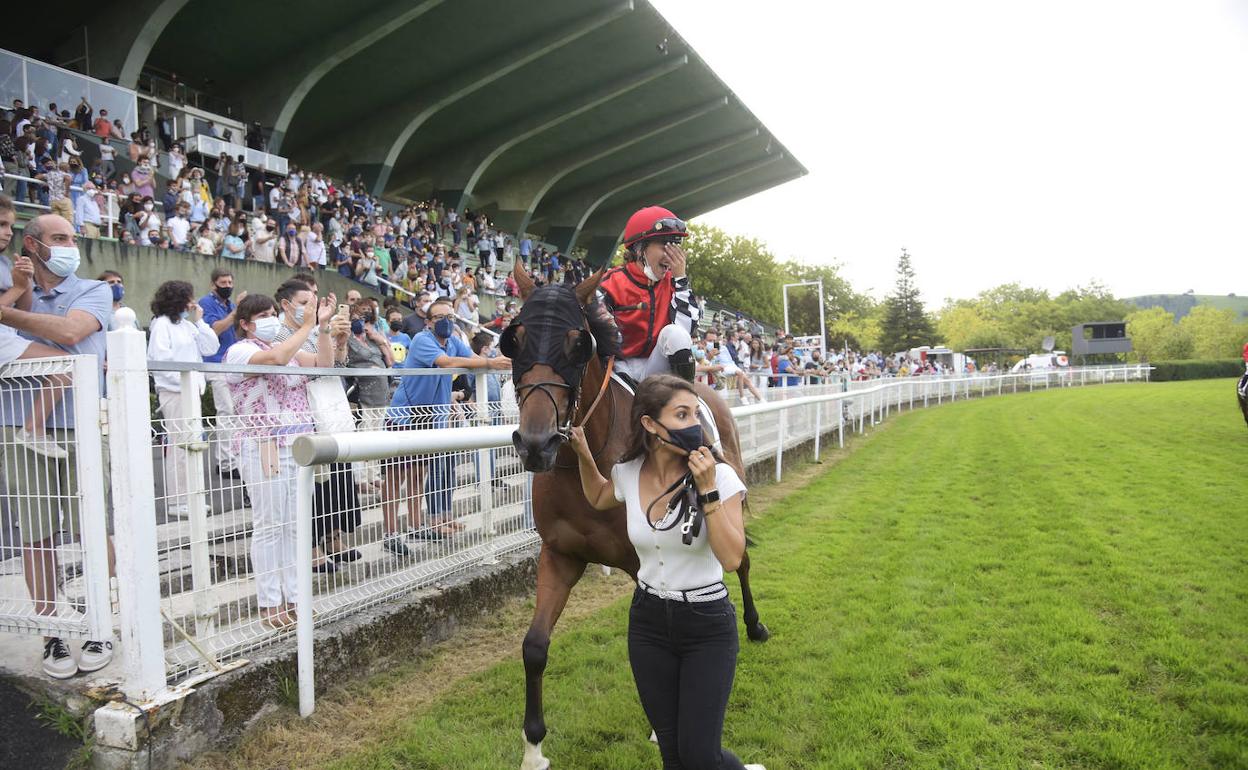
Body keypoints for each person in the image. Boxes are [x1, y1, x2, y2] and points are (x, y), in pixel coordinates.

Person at [567, 375, 761, 770]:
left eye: (696, 414)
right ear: (651, 425)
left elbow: (731, 558)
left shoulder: (720, 477)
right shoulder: (629, 472)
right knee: (672, 754)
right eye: (682, 414)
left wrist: (706, 490)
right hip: (648, 622)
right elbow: (600, 495)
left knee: (700, 756)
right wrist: (585, 454)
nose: (696, 425)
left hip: (706, 623)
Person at [0, 213, 115, 678]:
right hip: (17, 427)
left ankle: (99, 623)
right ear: (33, 245)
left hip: (82, 425)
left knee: (94, 528)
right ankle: (52, 633)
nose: (70, 244)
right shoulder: (14, 284)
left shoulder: (94, 290)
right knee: (37, 535)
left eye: (72, 237)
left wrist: (6, 311)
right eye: (59, 238)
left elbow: (70, 334)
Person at [224, 291, 346, 628]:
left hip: (298, 445)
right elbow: (276, 358)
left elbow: (324, 364)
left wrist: (321, 329)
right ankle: (270, 602)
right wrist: (306, 326)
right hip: (263, 445)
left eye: (271, 313)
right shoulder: (240, 351)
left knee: (295, 525)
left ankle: (296, 597)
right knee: (270, 525)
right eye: (261, 316)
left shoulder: (290, 351)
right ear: (246, 324)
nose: (269, 320)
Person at [381, 299, 509, 555]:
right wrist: (489, 364)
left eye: (449, 316)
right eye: (439, 317)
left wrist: (497, 359)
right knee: (396, 478)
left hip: (430, 419)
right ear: (428, 322)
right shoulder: (421, 340)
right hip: (406, 417)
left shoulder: (453, 341)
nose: (446, 321)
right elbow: (447, 363)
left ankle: (416, 525)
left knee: (419, 474)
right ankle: (390, 532)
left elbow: (471, 357)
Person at [597, 206, 698, 382]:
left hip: (655, 366)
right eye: (665, 246)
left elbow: (685, 333)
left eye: (675, 247)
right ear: (639, 249)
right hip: (616, 368)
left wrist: (681, 279)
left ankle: (687, 399)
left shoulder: (674, 283)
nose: (672, 257)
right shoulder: (611, 282)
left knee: (675, 333)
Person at [147, 280, 219, 516]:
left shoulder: (187, 325)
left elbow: (210, 347)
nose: (193, 302)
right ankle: (177, 500)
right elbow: (159, 361)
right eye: (189, 297)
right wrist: (184, 381)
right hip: (175, 392)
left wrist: (200, 321)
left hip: (191, 392)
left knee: (193, 444)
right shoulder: (161, 324)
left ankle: (193, 494)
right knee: (179, 446)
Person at [198, 269, 247, 478]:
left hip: (231, 362)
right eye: (222, 282)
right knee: (226, 411)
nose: (227, 285)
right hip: (216, 363)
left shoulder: (231, 305)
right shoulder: (206, 303)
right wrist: (236, 313)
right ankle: (226, 463)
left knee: (235, 413)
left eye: (230, 282)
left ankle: (232, 458)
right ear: (213, 285)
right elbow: (214, 330)